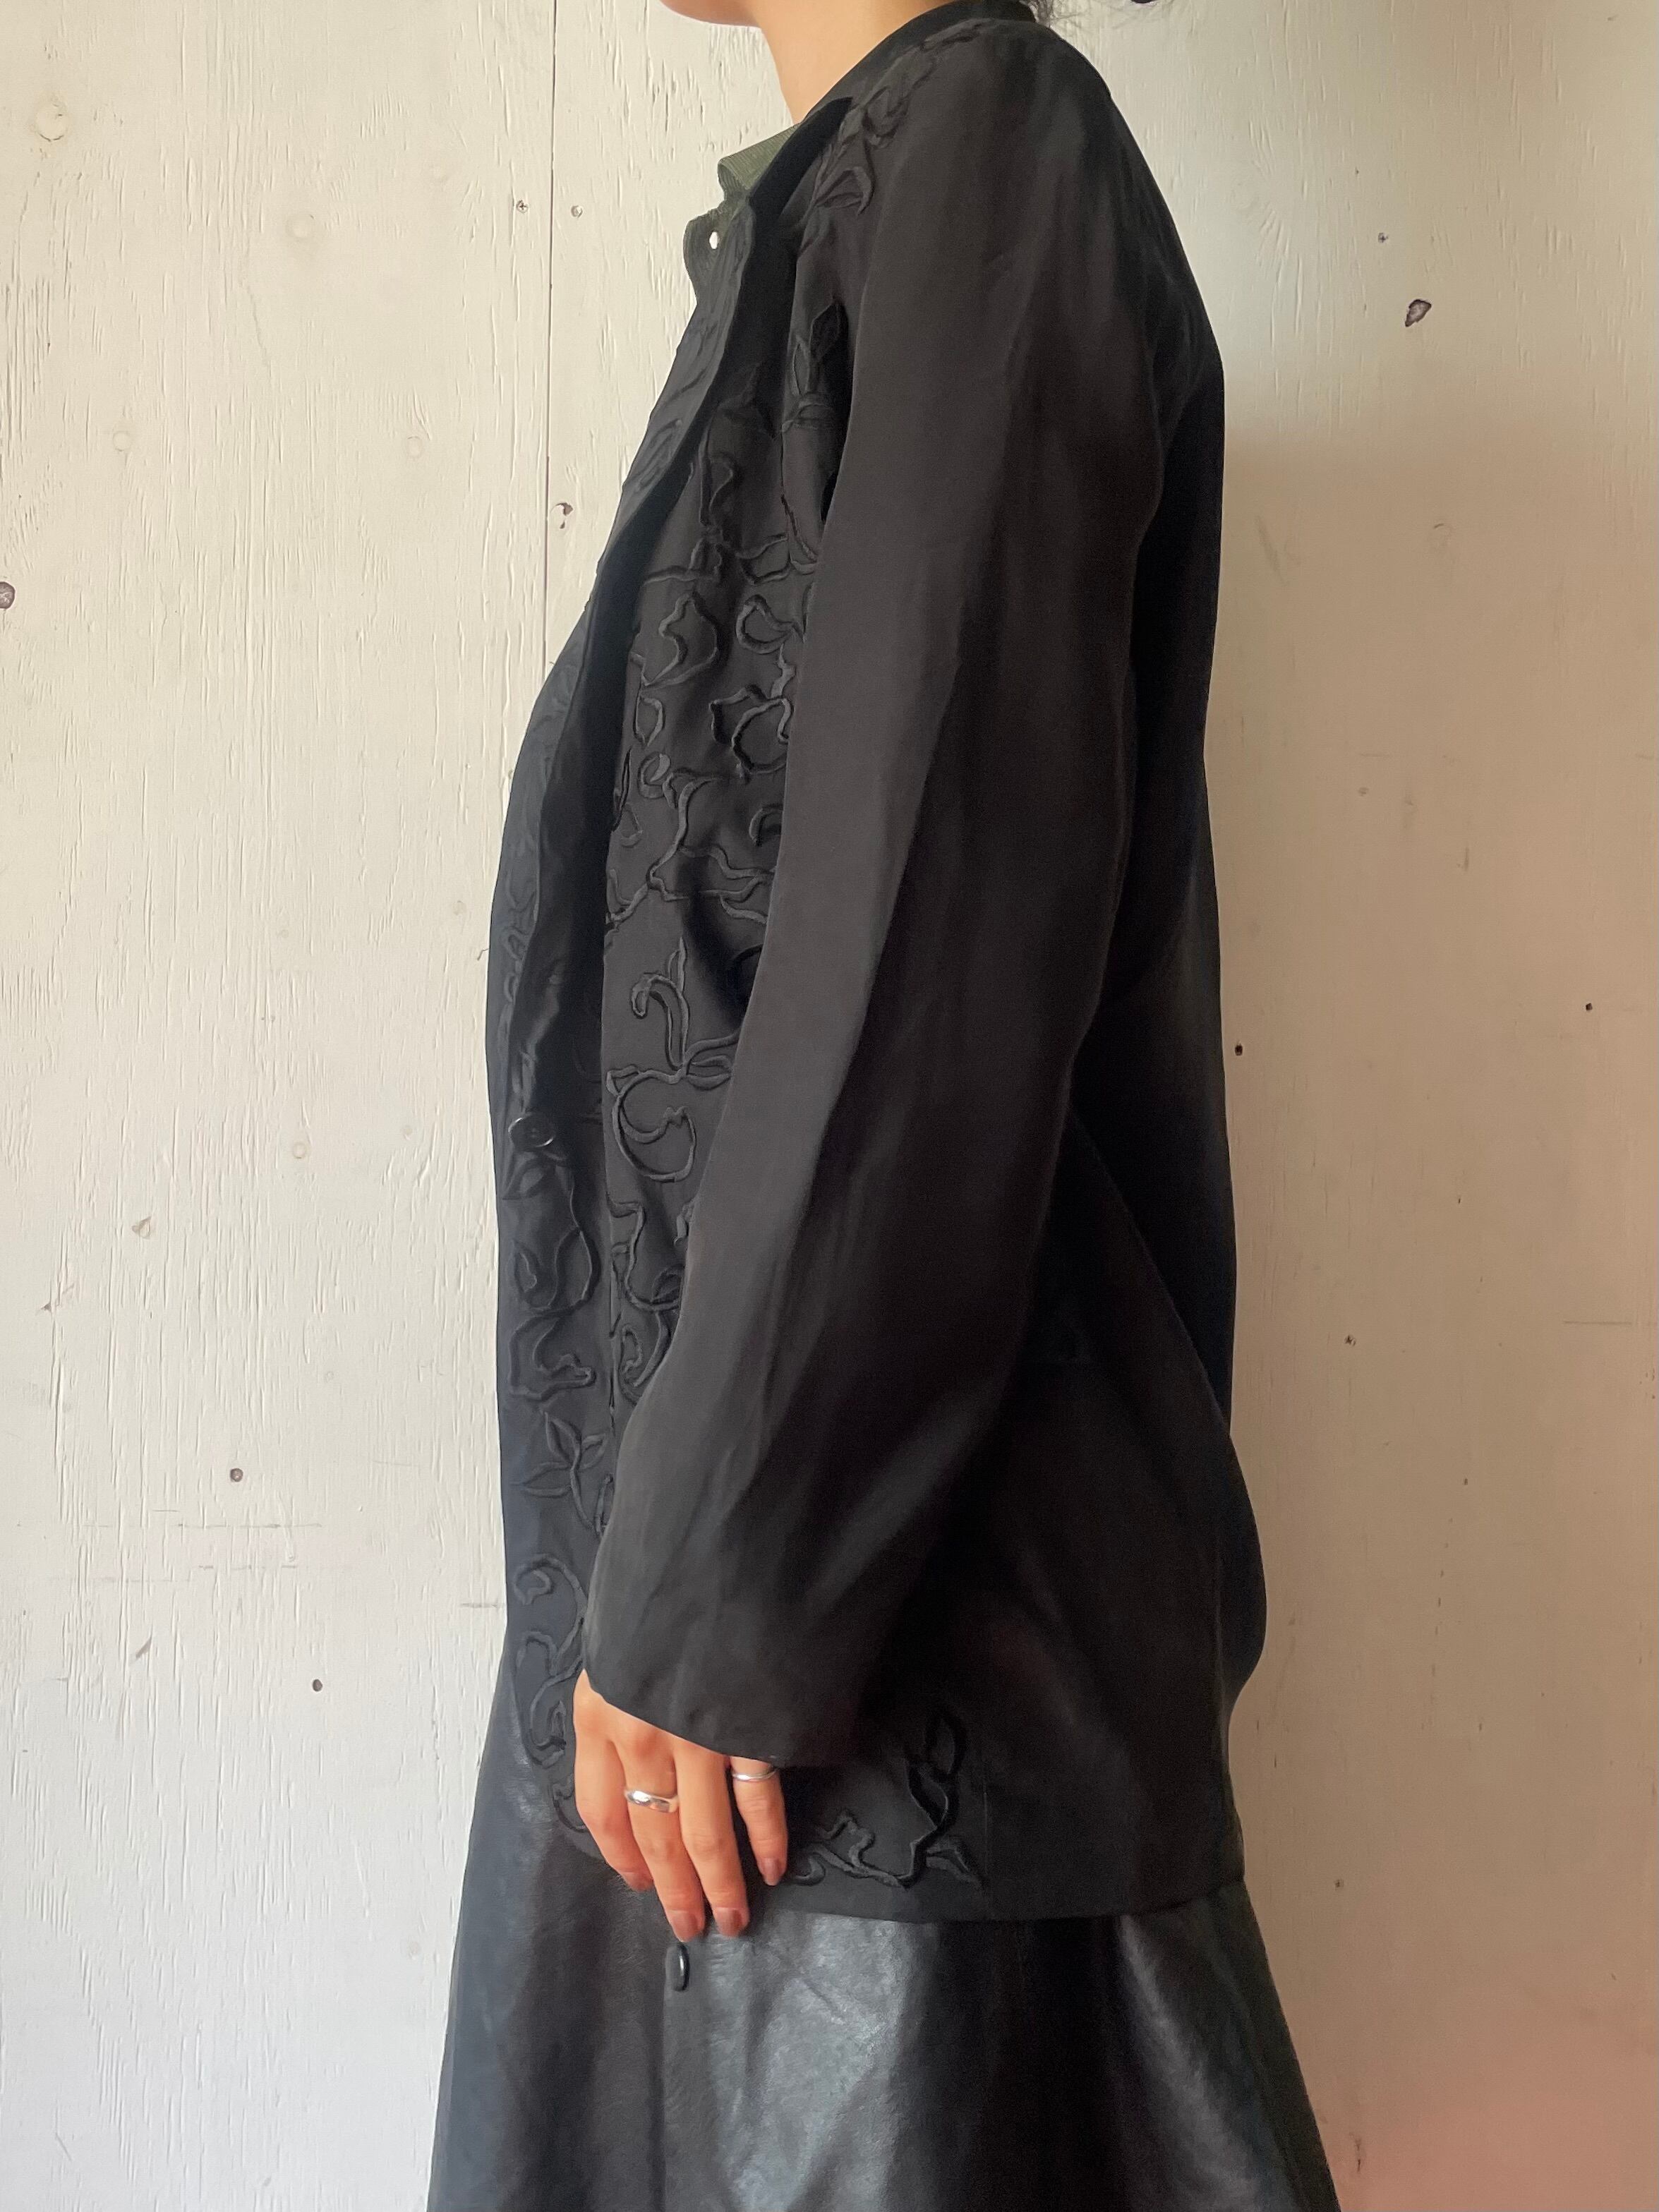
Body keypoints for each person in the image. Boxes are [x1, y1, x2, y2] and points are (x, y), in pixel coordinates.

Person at [428, 0, 1341, 2204]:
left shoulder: (991, 148)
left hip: (865, 1686)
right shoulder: (848, 208)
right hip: (709, 1685)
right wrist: (653, 1599)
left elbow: (930, 925)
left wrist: (711, 1591)